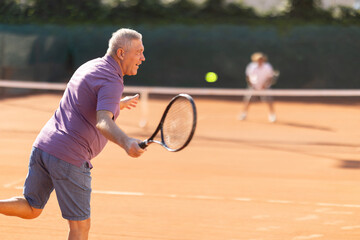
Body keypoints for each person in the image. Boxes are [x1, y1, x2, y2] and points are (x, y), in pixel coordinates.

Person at [0, 28, 146, 239]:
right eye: (139, 52)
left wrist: (117, 104)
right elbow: (103, 122)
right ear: (122, 53)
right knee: (80, 228)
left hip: (43, 146)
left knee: (32, 208)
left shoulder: (91, 65)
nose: (143, 57)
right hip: (70, 156)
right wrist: (127, 142)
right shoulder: (113, 80)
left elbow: (84, 99)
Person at [238, 52, 277, 123]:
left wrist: (265, 85)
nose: (260, 60)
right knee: (247, 101)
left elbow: (270, 77)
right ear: (255, 60)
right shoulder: (251, 66)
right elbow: (248, 77)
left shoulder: (267, 66)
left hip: (265, 88)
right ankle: (244, 114)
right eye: (258, 59)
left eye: (261, 59)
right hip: (253, 87)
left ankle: (272, 115)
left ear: (263, 60)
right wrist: (252, 85)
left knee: (269, 101)